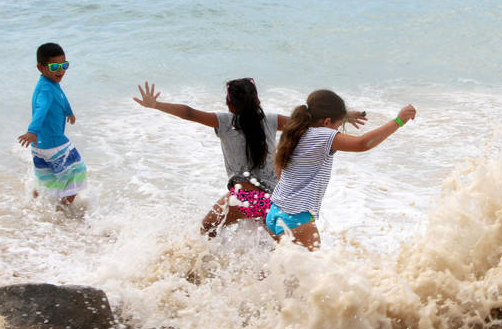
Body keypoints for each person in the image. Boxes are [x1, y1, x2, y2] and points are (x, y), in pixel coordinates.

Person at [133, 79, 366, 237]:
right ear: (258, 101)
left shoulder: (224, 121)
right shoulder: (273, 120)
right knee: (286, 252)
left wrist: (156, 105)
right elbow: (308, 124)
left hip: (242, 198)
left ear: (230, 105)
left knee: (205, 233)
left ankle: (203, 280)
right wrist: (341, 117)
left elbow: (189, 113)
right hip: (272, 202)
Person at [268, 89, 416, 250]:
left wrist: (343, 117)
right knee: (308, 273)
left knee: (284, 271)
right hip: (296, 218)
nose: (337, 129)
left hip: (275, 212)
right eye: (338, 125)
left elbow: (279, 170)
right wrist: (398, 121)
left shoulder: (295, 131)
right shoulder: (323, 135)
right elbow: (362, 143)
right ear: (326, 122)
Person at [17, 42, 88, 207]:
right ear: (40, 68)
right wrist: (32, 130)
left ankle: (33, 205)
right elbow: (41, 110)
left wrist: (68, 112)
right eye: (55, 66)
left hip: (40, 145)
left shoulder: (48, 84)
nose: (61, 71)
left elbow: (61, 97)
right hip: (55, 143)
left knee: (46, 179)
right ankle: (63, 208)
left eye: (64, 65)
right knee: (77, 173)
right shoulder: (47, 90)